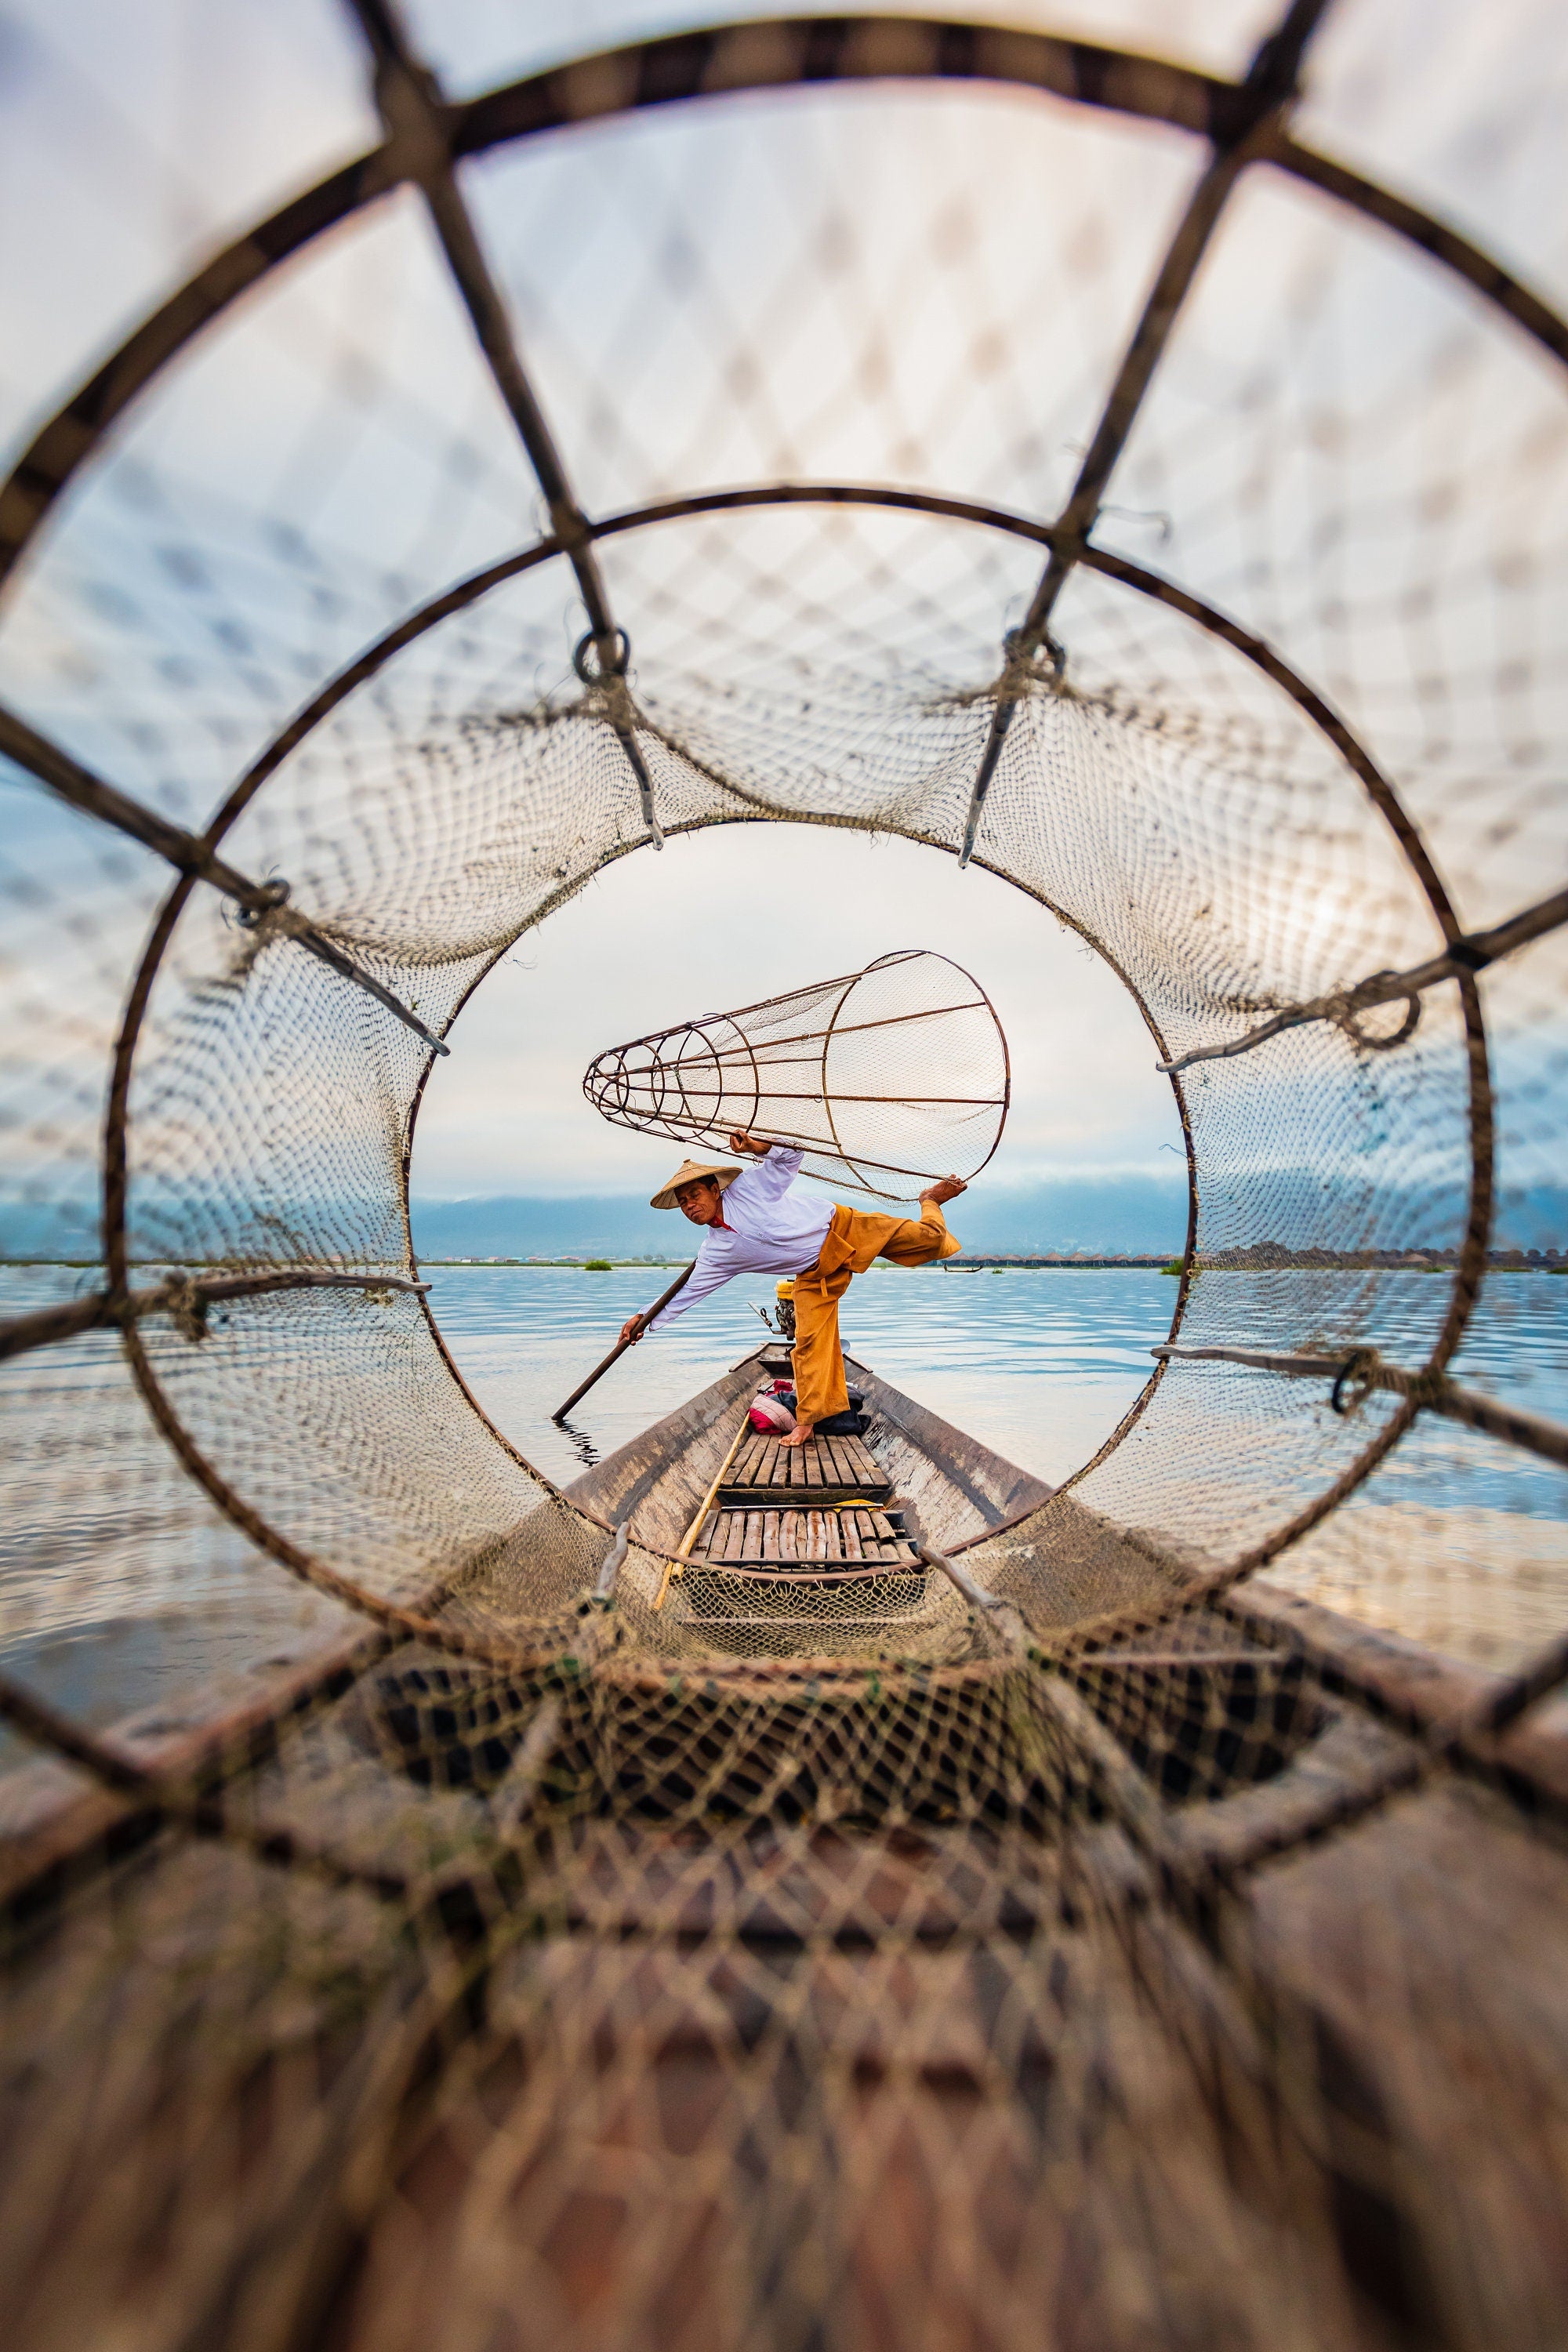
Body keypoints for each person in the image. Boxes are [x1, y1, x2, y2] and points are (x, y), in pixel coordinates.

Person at [619, 1131, 966, 1448]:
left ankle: (930, 1200)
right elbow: (685, 1294)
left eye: (694, 1194)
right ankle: (807, 1421)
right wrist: (643, 1320)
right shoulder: (715, 1252)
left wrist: (756, 1147)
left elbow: (791, 1156)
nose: (690, 1205)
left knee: (932, 1242)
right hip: (815, 1274)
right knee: (809, 1343)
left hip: (843, 1229)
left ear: (714, 1189)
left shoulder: (749, 1189)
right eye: (682, 1202)